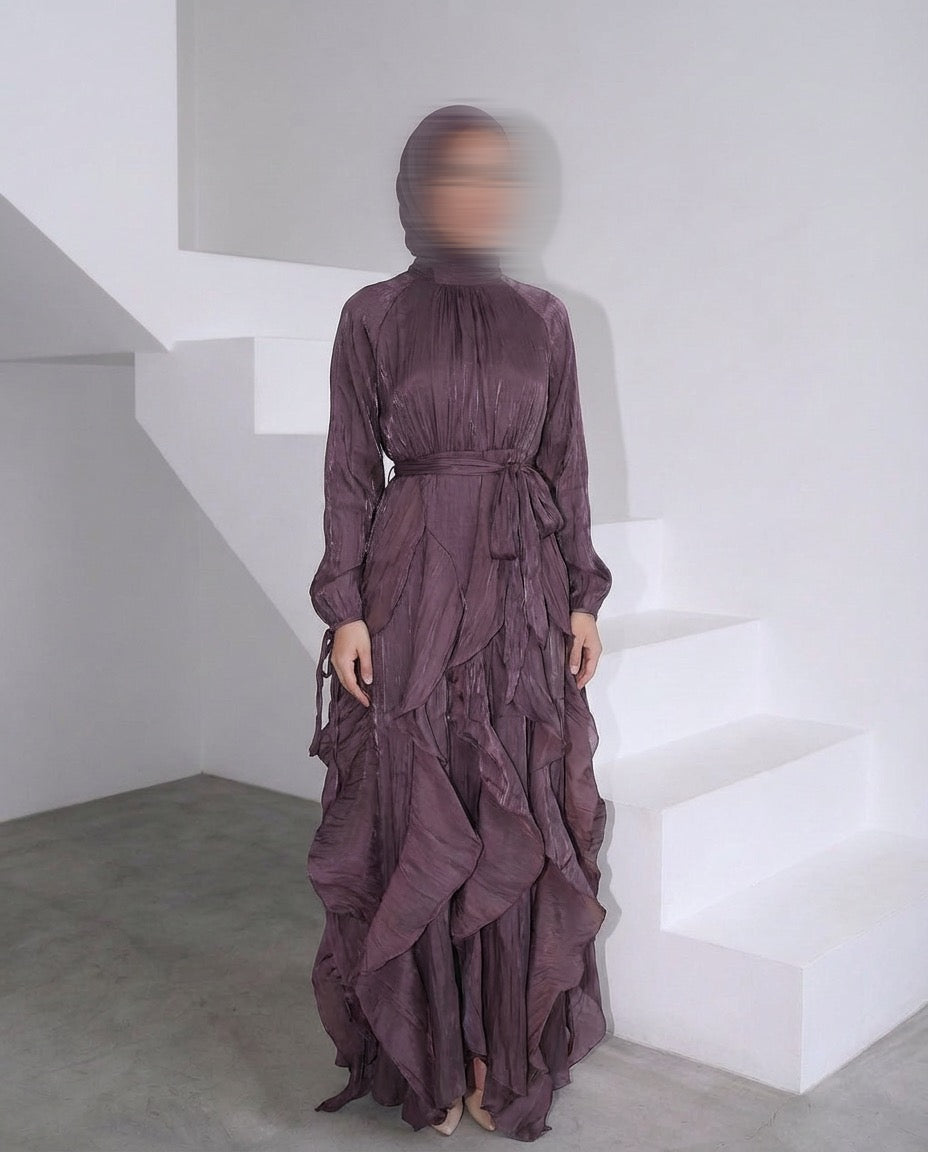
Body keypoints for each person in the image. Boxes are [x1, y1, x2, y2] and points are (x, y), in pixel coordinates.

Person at [307, 104, 612, 1142]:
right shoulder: (372, 316)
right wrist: (345, 606)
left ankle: (495, 1053)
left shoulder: (546, 317)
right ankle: (428, 1052)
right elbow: (350, 468)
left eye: (495, 176)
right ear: (415, 191)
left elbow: (566, 461)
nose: (478, 196)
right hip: (412, 583)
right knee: (421, 803)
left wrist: (583, 592)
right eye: (455, 175)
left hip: (524, 585)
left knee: (513, 799)